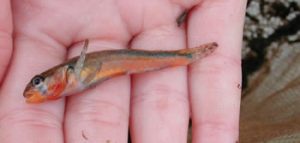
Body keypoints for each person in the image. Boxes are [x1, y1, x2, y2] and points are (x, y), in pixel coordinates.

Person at [0, 0, 247, 142]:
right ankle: (187, 57)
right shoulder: (67, 83)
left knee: (165, 61)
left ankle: (188, 56)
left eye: (39, 81)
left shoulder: (71, 73)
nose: (39, 88)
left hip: (121, 61)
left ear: (63, 72)